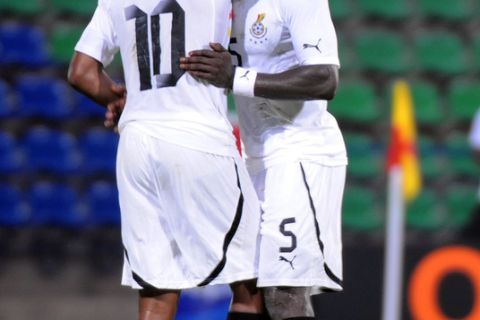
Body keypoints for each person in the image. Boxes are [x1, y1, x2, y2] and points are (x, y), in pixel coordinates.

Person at [68, 1, 266, 319]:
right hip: (197, 136)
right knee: (254, 282)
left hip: (136, 144)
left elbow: (80, 73)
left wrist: (124, 103)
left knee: (157, 292)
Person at [179, 0, 347, 319]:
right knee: (247, 292)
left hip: (300, 153)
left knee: (284, 295)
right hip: (252, 160)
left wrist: (236, 78)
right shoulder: (216, 7)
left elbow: (325, 79)